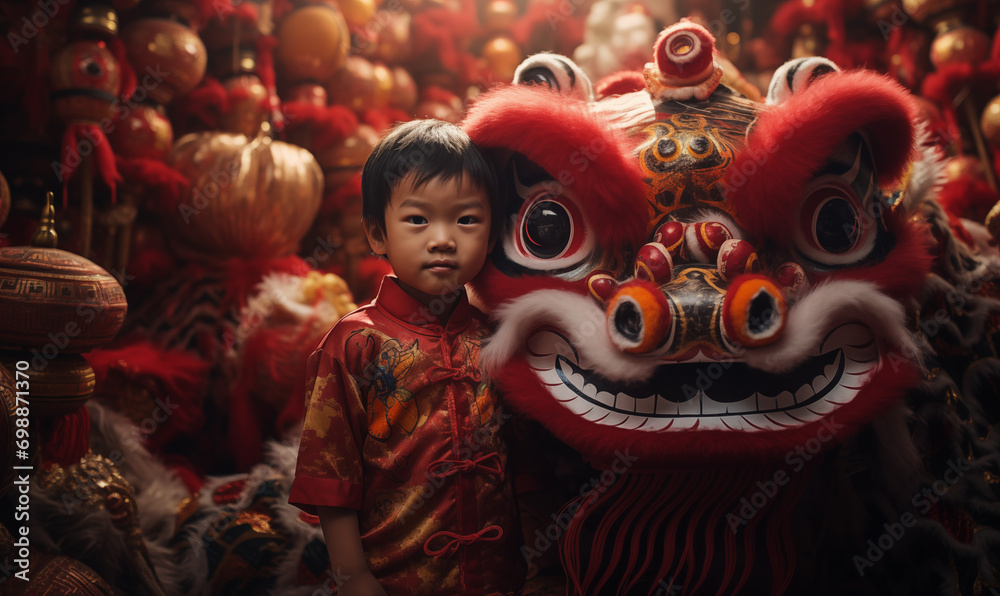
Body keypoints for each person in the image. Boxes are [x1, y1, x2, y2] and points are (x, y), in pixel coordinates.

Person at [288, 119, 524, 596]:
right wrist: (354, 577)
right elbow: (332, 478)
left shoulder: (497, 335)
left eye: (466, 220)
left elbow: (526, 465)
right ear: (378, 234)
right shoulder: (354, 344)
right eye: (417, 220)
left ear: (493, 230)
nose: (443, 239)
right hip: (395, 580)